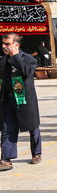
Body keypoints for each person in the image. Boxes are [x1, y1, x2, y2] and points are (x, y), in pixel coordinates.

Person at [0, 33, 42, 170]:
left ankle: (36, 153)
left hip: (25, 100)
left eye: (7, 44)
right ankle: (6, 158)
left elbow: (26, 72)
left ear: (16, 45)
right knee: (7, 129)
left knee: (32, 127)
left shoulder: (29, 59)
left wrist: (15, 56)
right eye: (3, 44)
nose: (4, 46)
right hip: (8, 101)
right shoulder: (2, 60)